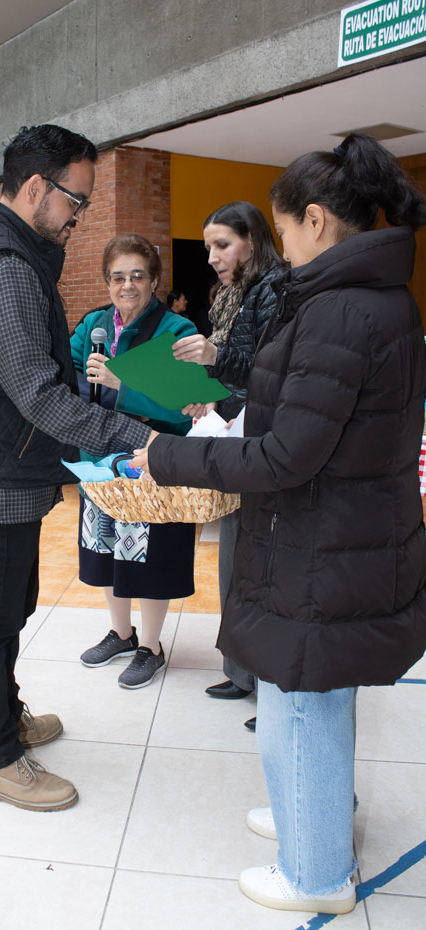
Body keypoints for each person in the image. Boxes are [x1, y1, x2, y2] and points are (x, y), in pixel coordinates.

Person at [132, 133, 426, 914]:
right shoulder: (376, 299)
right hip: (345, 530)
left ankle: (316, 872)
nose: (280, 245)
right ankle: (319, 812)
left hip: (321, 540)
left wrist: (169, 456)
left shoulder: (340, 312)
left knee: (300, 699)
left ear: (318, 222)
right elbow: (312, 418)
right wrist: (233, 410)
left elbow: (286, 457)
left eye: (283, 228)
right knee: (317, 695)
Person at [0, 125, 153, 812]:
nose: (80, 215)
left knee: (10, 606)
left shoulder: (6, 244)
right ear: (38, 188)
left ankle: (4, 716)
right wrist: (136, 437)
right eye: (77, 199)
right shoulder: (6, 265)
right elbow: (38, 391)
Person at [172, 203, 285, 722]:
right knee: (235, 561)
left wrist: (215, 364)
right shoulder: (231, 297)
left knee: (263, 569)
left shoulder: (276, 290)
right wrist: (211, 399)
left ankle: (279, 690)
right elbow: (239, 381)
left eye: (223, 245)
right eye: (208, 248)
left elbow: (270, 373)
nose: (213, 257)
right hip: (239, 438)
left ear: (254, 240)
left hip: (266, 447)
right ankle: (241, 672)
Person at [70, 234, 198, 688]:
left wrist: (122, 384)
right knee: (106, 549)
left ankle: (152, 645)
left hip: (152, 462)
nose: (127, 286)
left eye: (137, 276)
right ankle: (122, 634)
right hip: (100, 463)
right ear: (107, 283)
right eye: (118, 277)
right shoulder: (92, 327)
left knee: (151, 555)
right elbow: (68, 380)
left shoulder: (175, 331)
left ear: (155, 281)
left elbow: (187, 400)